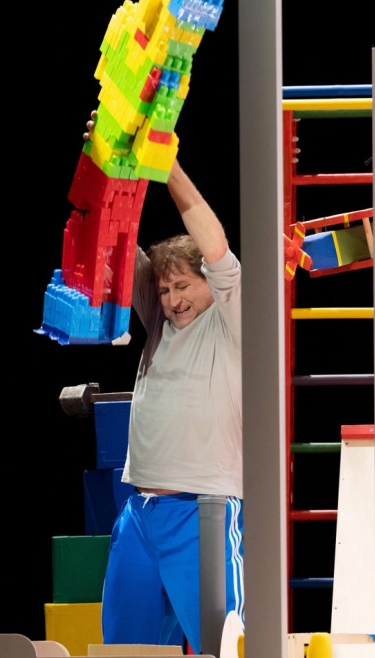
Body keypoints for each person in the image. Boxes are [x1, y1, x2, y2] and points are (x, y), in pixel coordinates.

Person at [84, 115, 244, 653]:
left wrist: (166, 164)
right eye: (165, 290)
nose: (173, 300)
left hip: (204, 514)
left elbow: (212, 240)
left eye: (183, 286)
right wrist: (105, 159)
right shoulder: (159, 323)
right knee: (125, 648)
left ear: (210, 284)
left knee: (223, 647)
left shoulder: (232, 321)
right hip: (139, 513)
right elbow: (115, 238)